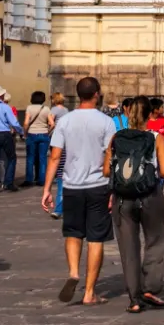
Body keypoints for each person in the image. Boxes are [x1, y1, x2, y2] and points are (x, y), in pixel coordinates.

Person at [44, 75, 119, 305]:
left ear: (78, 95)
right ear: (97, 94)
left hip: (72, 186)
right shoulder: (106, 122)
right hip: (98, 186)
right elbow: (112, 156)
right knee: (96, 238)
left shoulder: (65, 121)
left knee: (73, 232)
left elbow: (55, 156)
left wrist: (47, 189)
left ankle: (74, 272)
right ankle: (89, 293)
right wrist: (114, 189)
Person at [112, 96, 164, 313]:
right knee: (155, 241)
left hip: (122, 199)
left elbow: (107, 170)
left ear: (128, 113)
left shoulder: (116, 138)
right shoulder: (156, 138)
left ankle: (134, 298)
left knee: (128, 248)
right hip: (149, 196)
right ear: (149, 115)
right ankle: (151, 287)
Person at [25, 90, 55, 191]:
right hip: (43, 134)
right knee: (42, 158)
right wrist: (47, 131)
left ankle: (29, 179)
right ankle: (42, 180)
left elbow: (26, 123)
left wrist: (25, 132)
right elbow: (52, 123)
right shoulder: (46, 109)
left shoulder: (29, 108)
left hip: (32, 134)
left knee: (30, 158)